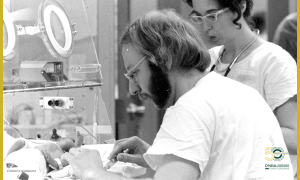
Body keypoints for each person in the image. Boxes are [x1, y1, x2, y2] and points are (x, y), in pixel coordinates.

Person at [61, 9, 293, 180]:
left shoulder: (191, 107)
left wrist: (93, 171)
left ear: (162, 59)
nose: (133, 89)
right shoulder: (243, 95)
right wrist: (165, 156)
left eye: (134, 74)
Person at [184, 0, 297, 178]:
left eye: (212, 15)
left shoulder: (274, 61)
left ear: (240, 6)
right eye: (199, 17)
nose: (205, 26)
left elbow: (294, 138)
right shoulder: (209, 61)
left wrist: (231, 125)